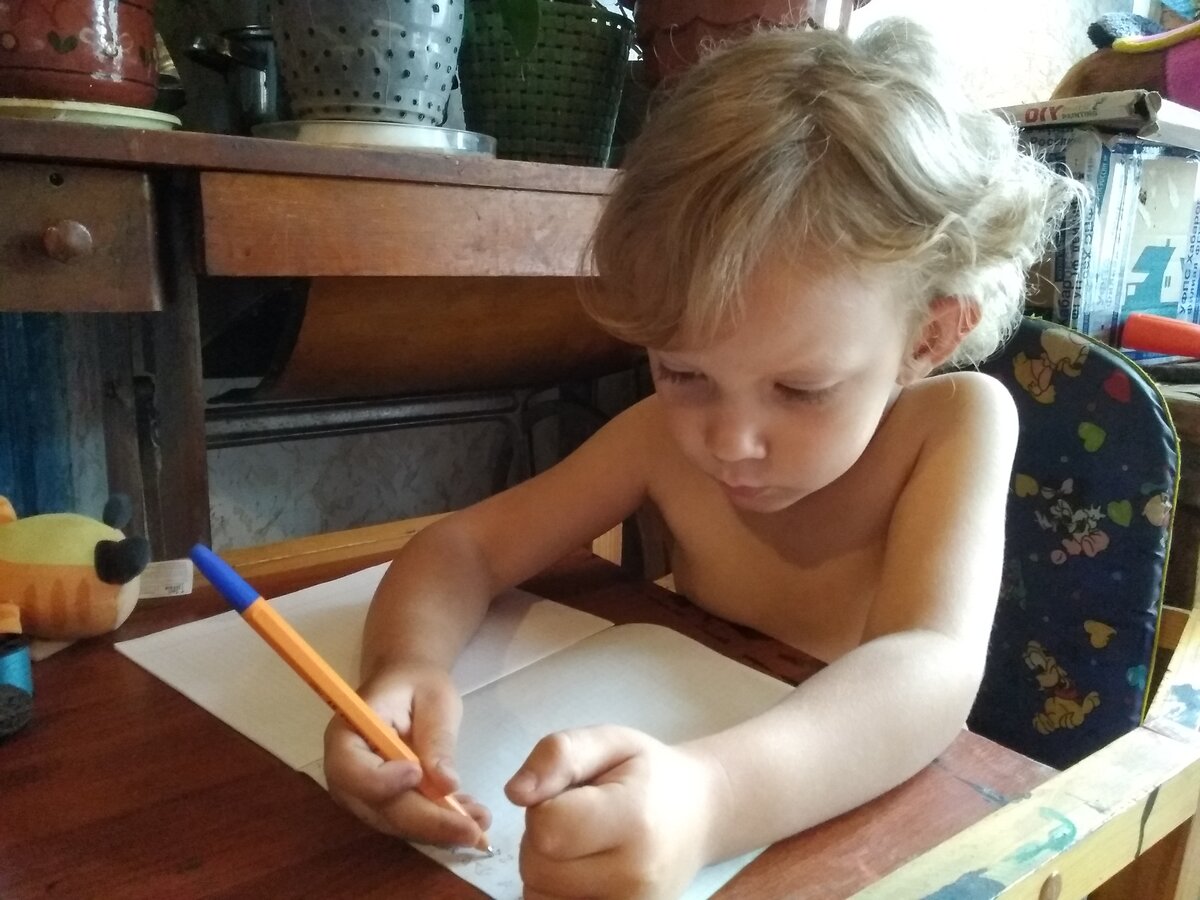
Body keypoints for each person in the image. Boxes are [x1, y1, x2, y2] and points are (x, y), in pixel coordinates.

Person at [324, 18, 1082, 899]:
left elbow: (930, 667)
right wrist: (404, 669)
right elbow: (464, 547)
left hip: (856, 831)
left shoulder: (954, 425)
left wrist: (708, 799)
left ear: (928, 336)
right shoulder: (658, 435)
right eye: (684, 372)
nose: (729, 441)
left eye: (799, 389)